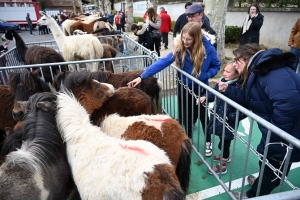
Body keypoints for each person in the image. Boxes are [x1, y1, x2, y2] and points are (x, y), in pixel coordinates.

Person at [215, 43, 300, 198]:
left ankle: (253, 195)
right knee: (274, 164)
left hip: (286, 132)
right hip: (286, 130)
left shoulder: (271, 72)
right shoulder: (260, 71)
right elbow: (251, 100)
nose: (234, 64)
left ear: (247, 58)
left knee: (272, 165)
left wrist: (273, 134)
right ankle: (264, 185)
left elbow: (288, 104)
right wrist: (228, 89)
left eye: (236, 60)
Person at [127, 22, 220, 143]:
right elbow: (163, 62)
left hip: (201, 89)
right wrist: (142, 76)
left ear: (196, 39)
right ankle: (189, 138)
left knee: (203, 116)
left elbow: (216, 66)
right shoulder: (180, 48)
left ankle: (208, 141)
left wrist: (205, 75)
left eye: (189, 39)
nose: (185, 42)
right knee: (186, 115)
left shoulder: (209, 50)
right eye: (183, 38)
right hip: (185, 87)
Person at [197, 61, 246, 172]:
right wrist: (205, 96)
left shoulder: (239, 87)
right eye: (224, 70)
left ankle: (223, 165)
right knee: (221, 139)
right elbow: (213, 93)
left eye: (228, 72)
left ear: (237, 74)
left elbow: (244, 108)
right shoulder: (223, 81)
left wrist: (231, 117)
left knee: (225, 143)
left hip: (228, 121)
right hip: (219, 116)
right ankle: (225, 156)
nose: (224, 73)